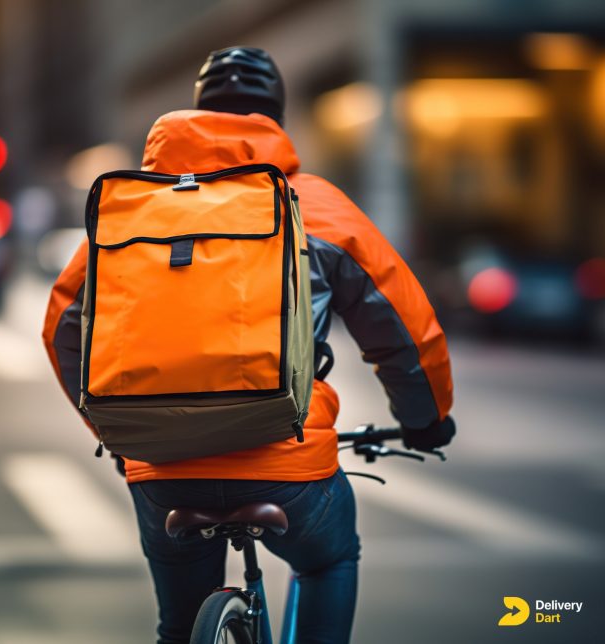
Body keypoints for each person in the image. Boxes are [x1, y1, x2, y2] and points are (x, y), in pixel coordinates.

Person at [43, 46, 455, 644]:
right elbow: (402, 329)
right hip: (286, 460)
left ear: (198, 110)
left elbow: (64, 326)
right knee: (327, 560)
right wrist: (425, 420)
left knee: (180, 629)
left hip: (163, 471)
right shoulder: (314, 204)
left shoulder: (135, 207)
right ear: (275, 119)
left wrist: (116, 426)